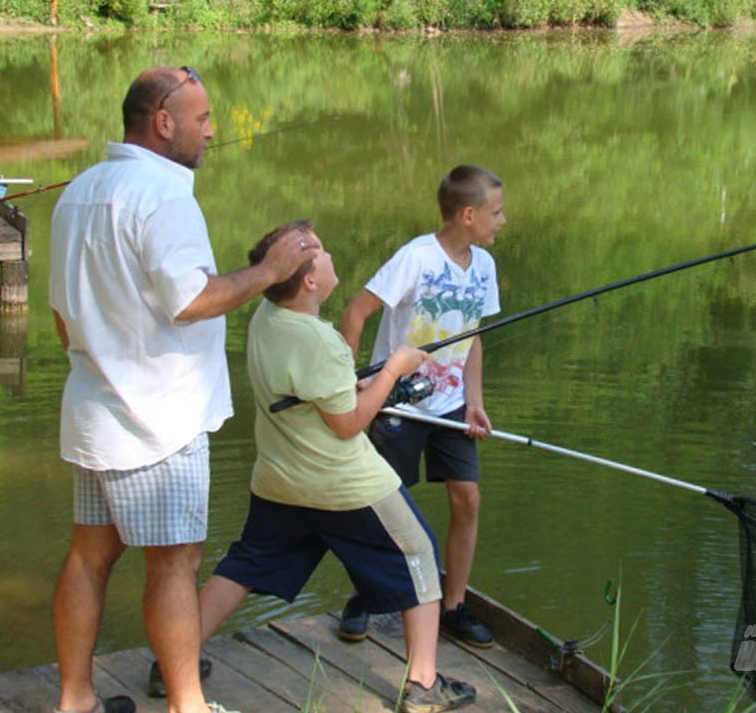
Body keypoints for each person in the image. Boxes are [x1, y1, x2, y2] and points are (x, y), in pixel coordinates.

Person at [48, 66, 316, 713]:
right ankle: (188, 706)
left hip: (95, 408)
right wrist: (268, 271)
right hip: (158, 420)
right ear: (162, 123)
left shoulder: (79, 191)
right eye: (200, 118)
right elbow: (191, 299)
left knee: (89, 556)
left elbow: (61, 317)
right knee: (175, 563)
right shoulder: (166, 196)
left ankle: (75, 700)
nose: (210, 129)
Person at [163, 220, 476, 713]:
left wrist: (357, 387)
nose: (331, 259)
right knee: (419, 556)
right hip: (346, 486)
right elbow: (348, 425)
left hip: (279, 481)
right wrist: (393, 369)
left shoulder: (265, 318)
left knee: (247, 563)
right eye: (323, 254)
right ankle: (422, 685)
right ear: (309, 280)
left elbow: (315, 395)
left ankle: (173, 665)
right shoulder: (320, 340)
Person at [337, 164, 506, 649]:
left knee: (467, 498)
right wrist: (348, 387)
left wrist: (474, 401)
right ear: (468, 215)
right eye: (496, 212)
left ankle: (453, 606)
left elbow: (473, 338)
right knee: (383, 506)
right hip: (397, 403)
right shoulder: (416, 257)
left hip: (451, 406)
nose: (503, 220)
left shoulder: (485, 267)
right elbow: (354, 313)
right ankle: (364, 597)